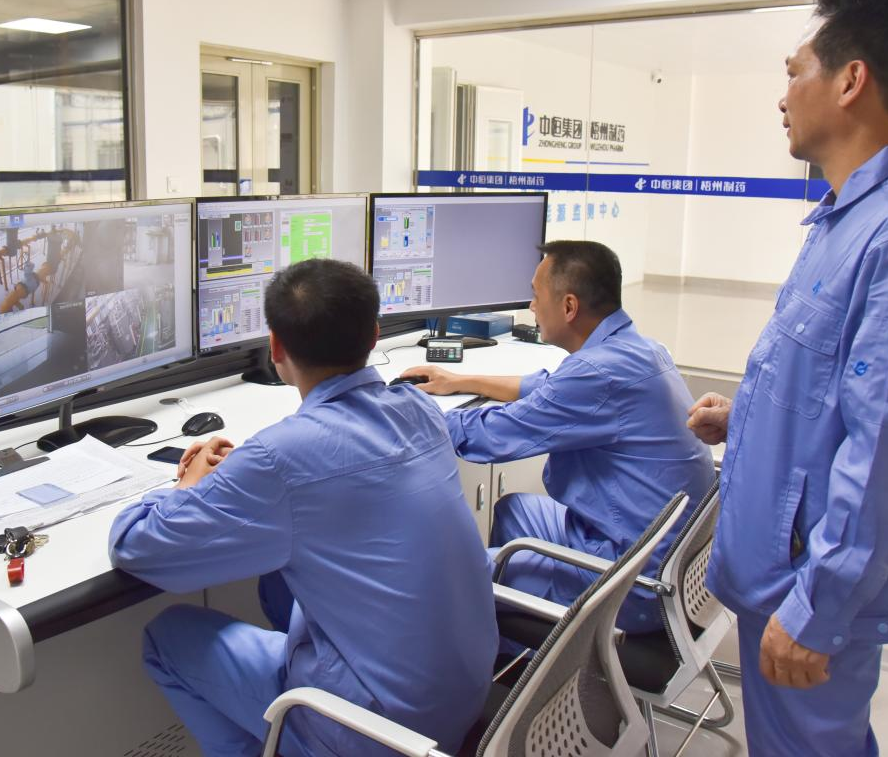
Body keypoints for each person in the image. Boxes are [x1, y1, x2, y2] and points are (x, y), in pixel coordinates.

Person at [687, 0, 888, 756]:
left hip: (805, 584)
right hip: (782, 570)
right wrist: (747, 418)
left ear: (850, 80)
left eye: (794, 72)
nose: (781, 96)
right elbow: (838, 390)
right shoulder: (850, 215)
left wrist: (816, 608)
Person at [110, 258, 498, 757]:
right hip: (462, 703)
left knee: (170, 636)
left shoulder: (278, 457)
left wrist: (187, 485)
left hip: (378, 733)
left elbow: (137, 547)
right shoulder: (420, 408)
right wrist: (250, 477)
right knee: (277, 585)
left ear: (275, 347)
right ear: (374, 334)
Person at [403, 239, 714, 631]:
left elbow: (492, 435)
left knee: (467, 578)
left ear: (569, 306)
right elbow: (545, 387)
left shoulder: (596, 374)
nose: (531, 306)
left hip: (635, 585)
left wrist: (401, 411)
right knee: (515, 511)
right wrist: (459, 380)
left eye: (536, 295)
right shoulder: (640, 350)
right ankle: (520, 637)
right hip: (670, 562)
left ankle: (524, 642)